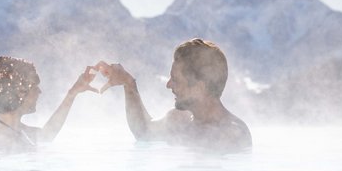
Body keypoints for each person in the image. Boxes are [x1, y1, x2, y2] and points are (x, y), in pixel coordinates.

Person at [96, 38, 252, 152]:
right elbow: (143, 131)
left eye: (176, 80)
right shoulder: (179, 120)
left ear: (199, 87)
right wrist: (128, 84)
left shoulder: (232, 134)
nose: (168, 84)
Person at [0, 56, 96, 151]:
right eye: (34, 87)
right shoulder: (8, 141)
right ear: (19, 93)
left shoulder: (0, 125)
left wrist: (72, 93)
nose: (39, 92)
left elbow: (45, 136)